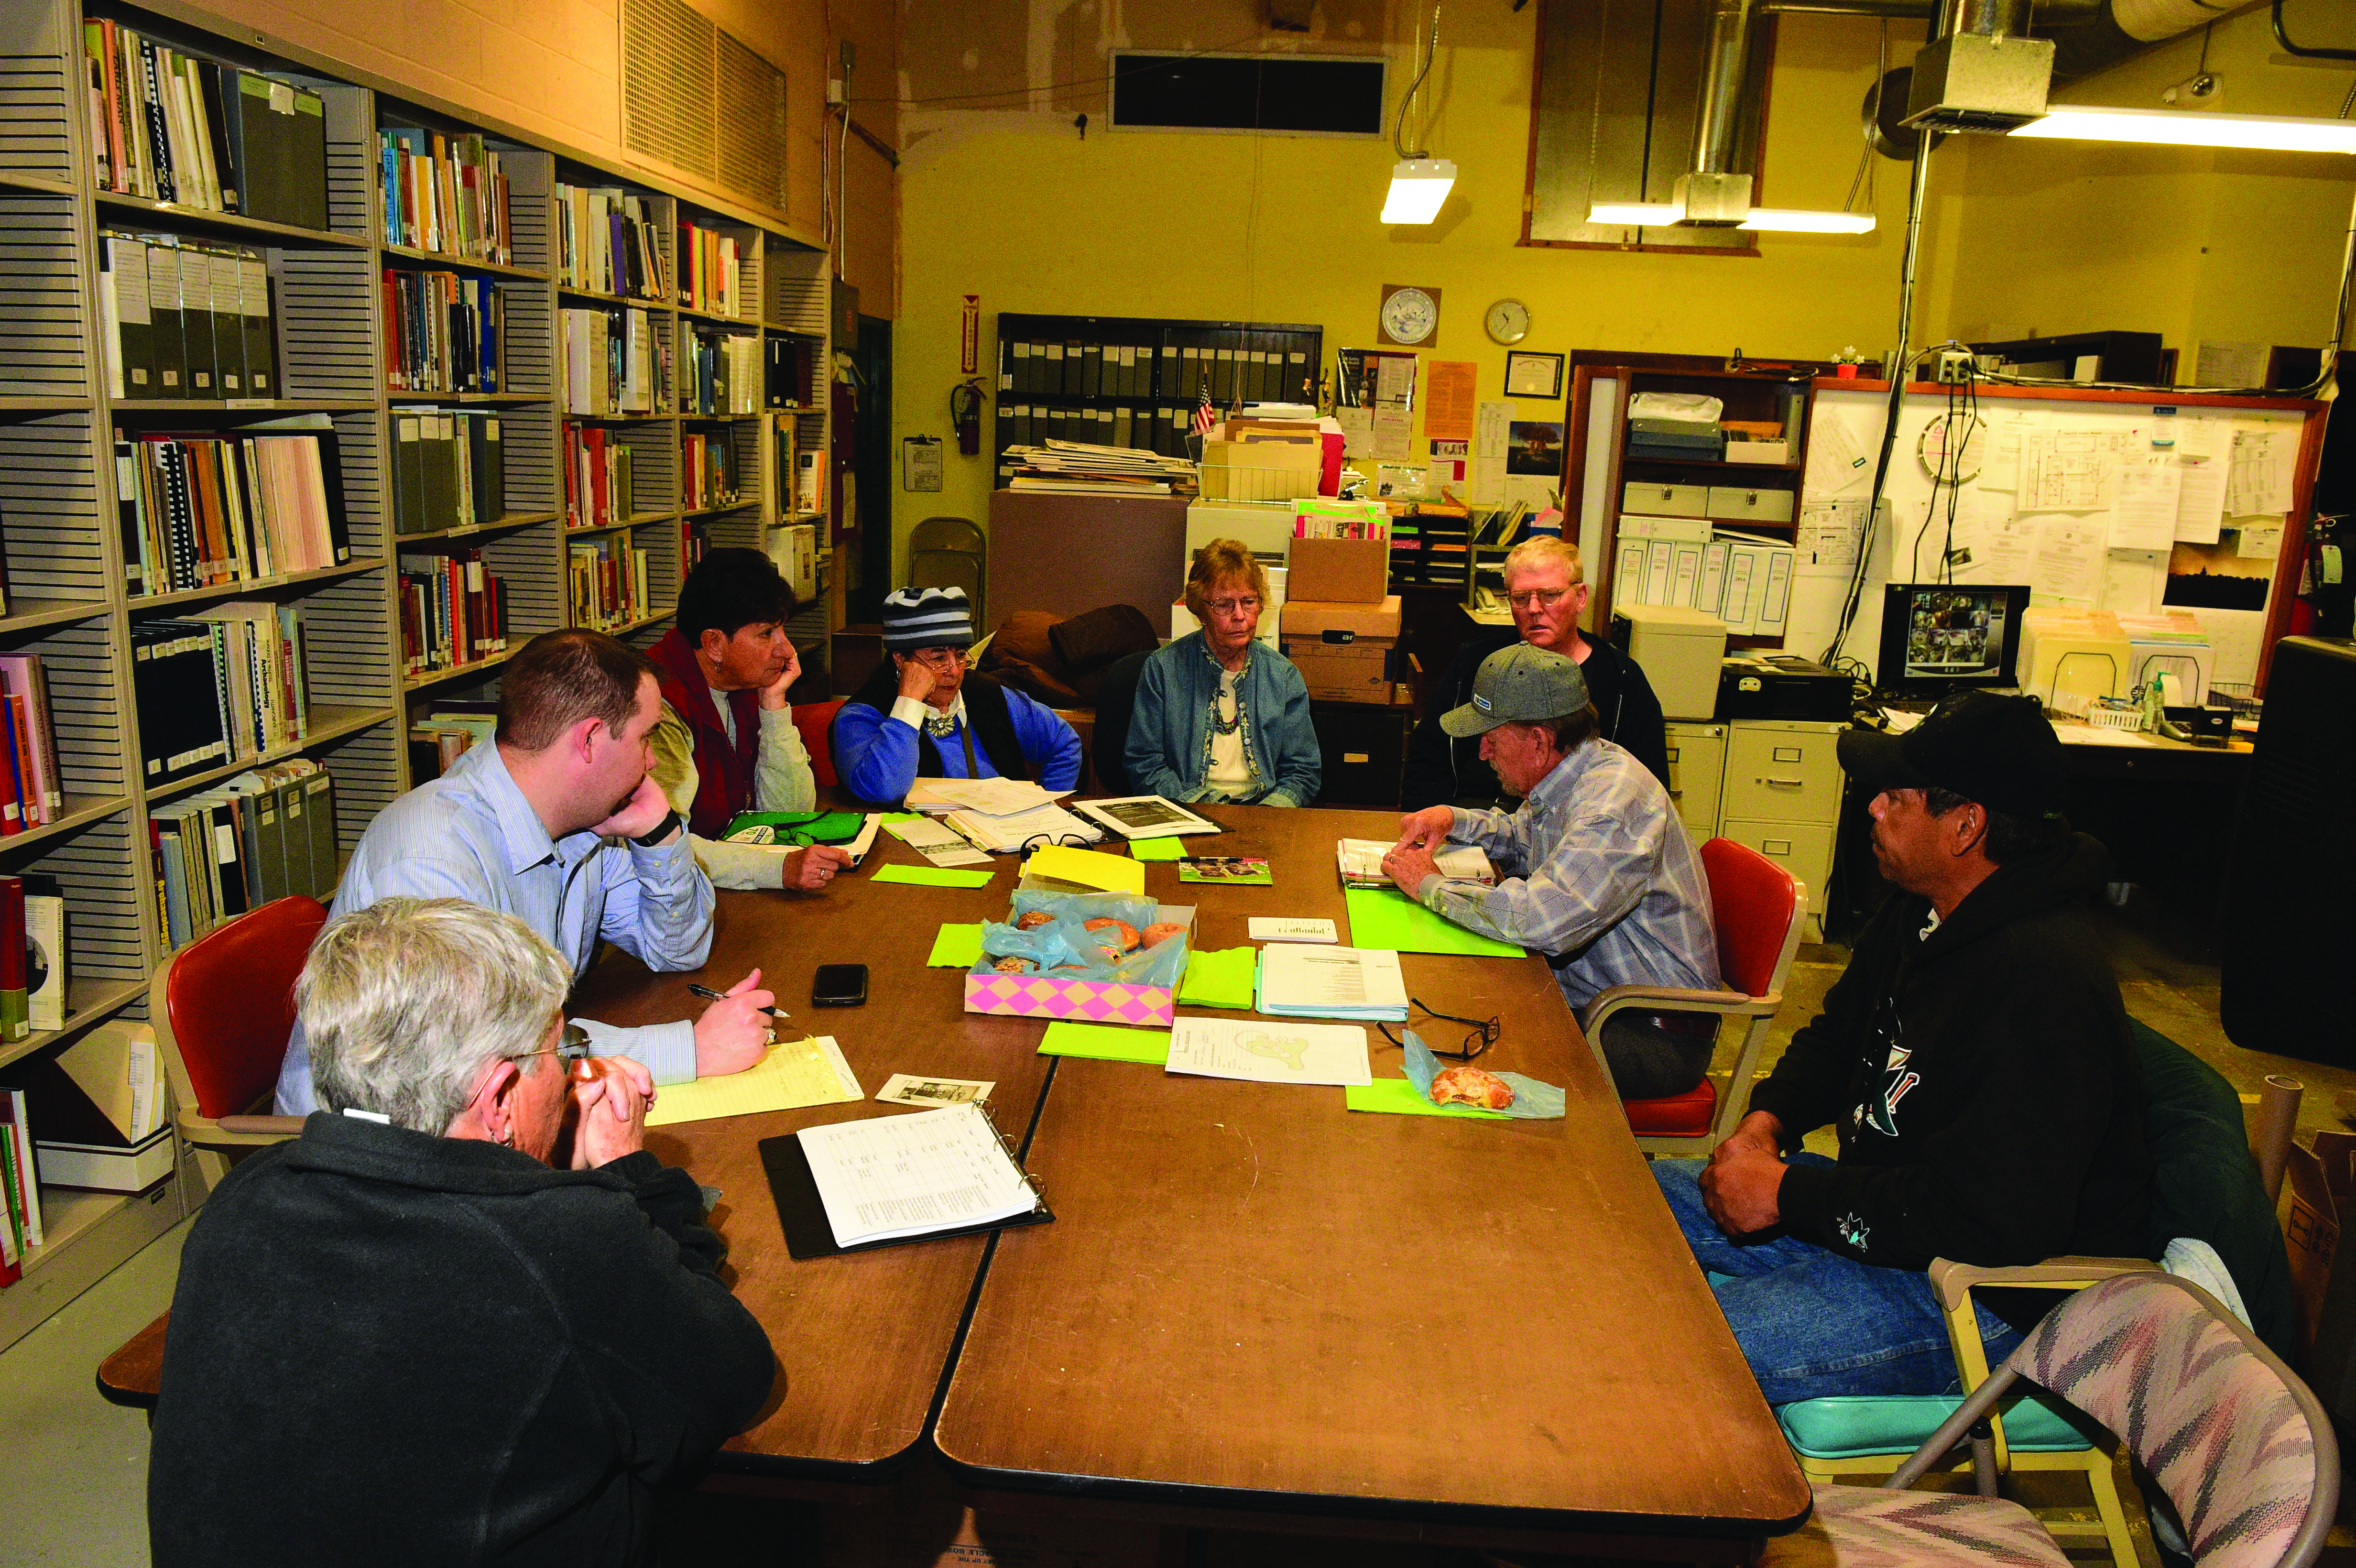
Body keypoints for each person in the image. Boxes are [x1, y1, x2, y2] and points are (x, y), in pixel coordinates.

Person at [152, 898, 776, 1568]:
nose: (567, 1072)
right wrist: (628, 1172)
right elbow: (734, 1378)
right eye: (560, 1050)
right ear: (500, 1097)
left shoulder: (244, 1200)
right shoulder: (563, 1246)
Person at [1653, 692, 2150, 1405]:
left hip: (1982, 1295)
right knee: (1629, 1205)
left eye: (1896, 797)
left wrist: (1789, 1192)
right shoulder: (1923, 910)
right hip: (1889, 1224)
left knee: (1670, 1349)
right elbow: (1836, 1037)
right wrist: (1766, 1128)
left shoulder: (2040, 983)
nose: (1873, 810)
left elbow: (1992, 1220)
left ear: (1964, 826)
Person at [273, 628, 774, 1114]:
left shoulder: (583, 822)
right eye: (645, 739)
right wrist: (689, 1049)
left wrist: (660, 833)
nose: (649, 761)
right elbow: (478, 1057)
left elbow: (678, 949)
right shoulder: (431, 858)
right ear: (591, 740)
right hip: (372, 1154)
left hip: (488, 1111)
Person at [1383, 643, 1719, 1099]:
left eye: (1492, 739)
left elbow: (1539, 920)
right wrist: (1453, 817)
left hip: (1644, 1031)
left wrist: (1429, 885)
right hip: (1589, 996)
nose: (1482, 753)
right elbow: (1525, 838)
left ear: (1539, 741)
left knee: (1470, 1058)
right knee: (1449, 1003)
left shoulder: (1612, 803)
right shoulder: (1577, 770)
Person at [1400, 535, 1669, 810]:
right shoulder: (1478, 661)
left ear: (1580, 597)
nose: (1534, 609)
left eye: (1550, 595)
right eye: (1520, 598)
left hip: (1573, 830)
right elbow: (1429, 755)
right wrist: (1428, 826)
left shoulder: (1621, 679)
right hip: (1472, 819)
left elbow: (1648, 789)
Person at [644, 546, 851, 893]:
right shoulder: (656, 706)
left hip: (726, 886)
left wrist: (774, 706)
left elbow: (790, 815)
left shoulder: (741, 680)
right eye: (767, 634)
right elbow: (663, 849)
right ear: (713, 644)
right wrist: (777, 869)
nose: (786, 650)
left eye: (782, 631)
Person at [832, 586, 1083, 804]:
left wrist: (1046, 810)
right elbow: (884, 790)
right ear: (900, 660)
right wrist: (909, 704)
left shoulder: (989, 694)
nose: (954, 671)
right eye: (939, 658)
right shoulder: (862, 714)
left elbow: (1064, 744)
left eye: (961, 655)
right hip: (913, 845)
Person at [1124, 538, 1320, 807]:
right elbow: (1144, 763)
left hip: (1265, 815)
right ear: (1200, 609)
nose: (1240, 615)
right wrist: (1200, 807)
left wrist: (1268, 814)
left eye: (1249, 602)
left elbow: (1303, 771)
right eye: (1224, 605)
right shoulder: (1163, 669)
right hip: (1187, 810)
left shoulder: (1283, 676)